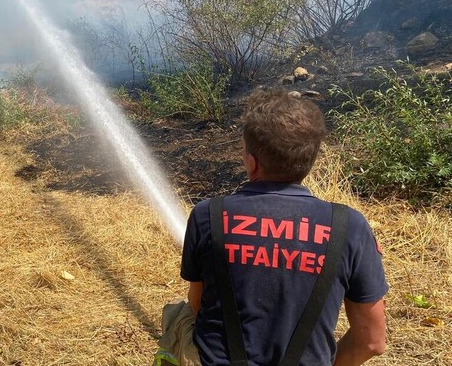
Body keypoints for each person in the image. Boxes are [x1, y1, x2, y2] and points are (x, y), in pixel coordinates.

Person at [155, 89, 387, 366]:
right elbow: (372, 341)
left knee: (177, 314)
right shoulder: (350, 227)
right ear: (309, 161)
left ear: (252, 163)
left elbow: (197, 305)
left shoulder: (209, 215)